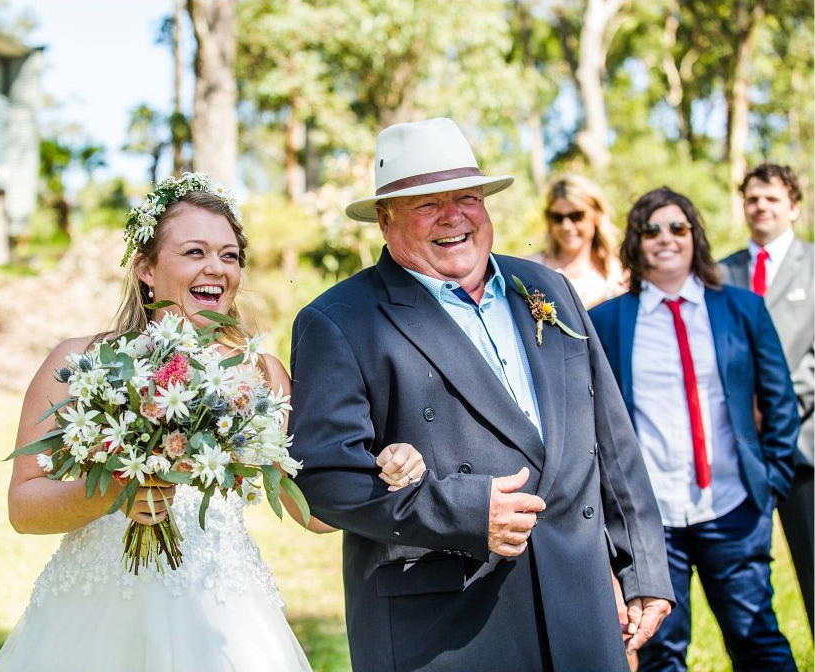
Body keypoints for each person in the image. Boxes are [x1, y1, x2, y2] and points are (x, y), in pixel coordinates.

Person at [0, 175, 430, 672]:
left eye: (229, 256)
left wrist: (386, 477)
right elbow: (23, 507)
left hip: (225, 620)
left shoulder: (262, 376)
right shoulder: (80, 365)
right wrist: (115, 491)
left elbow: (311, 511)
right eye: (194, 252)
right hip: (95, 616)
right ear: (146, 269)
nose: (216, 269)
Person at [288, 117, 673, 672]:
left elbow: (609, 439)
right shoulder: (338, 320)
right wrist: (463, 511)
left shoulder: (549, 289)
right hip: (448, 625)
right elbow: (324, 478)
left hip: (580, 608)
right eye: (426, 204)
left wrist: (641, 570)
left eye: (466, 197)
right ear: (383, 219)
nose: (453, 217)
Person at [589, 187, 800, 672]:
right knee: (662, 650)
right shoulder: (608, 320)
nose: (665, 238)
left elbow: (779, 401)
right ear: (635, 242)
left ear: (695, 236)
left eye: (677, 227)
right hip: (653, 519)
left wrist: (770, 484)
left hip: (733, 506)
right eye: (651, 229)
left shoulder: (741, 309)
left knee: (757, 639)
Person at [720, 163, 814, 634]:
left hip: (805, 451)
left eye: (772, 198)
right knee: (745, 585)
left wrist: (773, 409)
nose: (761, 207)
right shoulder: (719, 273)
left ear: (794, 207)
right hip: (737, 452)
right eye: (753, 198)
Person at [529, 174, 626, 308]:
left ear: (596, 215)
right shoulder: (532, 268)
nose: (566, 226)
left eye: (576, 216)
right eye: (557, 217)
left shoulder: (617, 270)